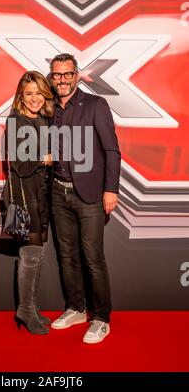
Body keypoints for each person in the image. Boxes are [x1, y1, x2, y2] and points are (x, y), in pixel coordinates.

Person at [49, 53, 121, 344]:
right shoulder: (47, 107)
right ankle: (76, 308)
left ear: (76, 75)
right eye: (57, 75)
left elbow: (111, 151)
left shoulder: (95, 105)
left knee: (92, 258)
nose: (63, 80)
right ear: (51, 77)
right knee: (67, 257)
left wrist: (111, 189)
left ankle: (101, 318)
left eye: (68, 74)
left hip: (90, 194)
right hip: (57, 191)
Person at [4, 71, 54, 335]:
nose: (34, 98)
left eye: (38, 92)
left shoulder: (43, 119)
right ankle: (24, 309)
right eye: (29, 93)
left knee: (37, 255)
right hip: (22, 195)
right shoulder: (15, 120)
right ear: (21, 96)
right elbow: (20, 165)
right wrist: (46, 159)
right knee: (29, 255)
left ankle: (31, 308)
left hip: (39, 194)